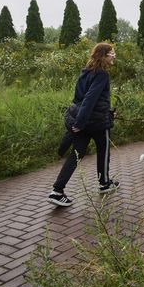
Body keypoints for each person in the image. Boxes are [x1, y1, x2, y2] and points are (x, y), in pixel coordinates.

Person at [48, 42, 119, 207]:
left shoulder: (85, 72)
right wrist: (80, 122)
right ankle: (104, 184)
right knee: (104, 151)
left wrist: (103, 113)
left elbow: (79, 99)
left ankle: (57, 191)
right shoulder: (102, 74)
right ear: (104, 55)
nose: (114, 55)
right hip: (96, 124)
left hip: (84, 122)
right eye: (112, 53)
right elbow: (89, 99)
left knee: (76, 155)